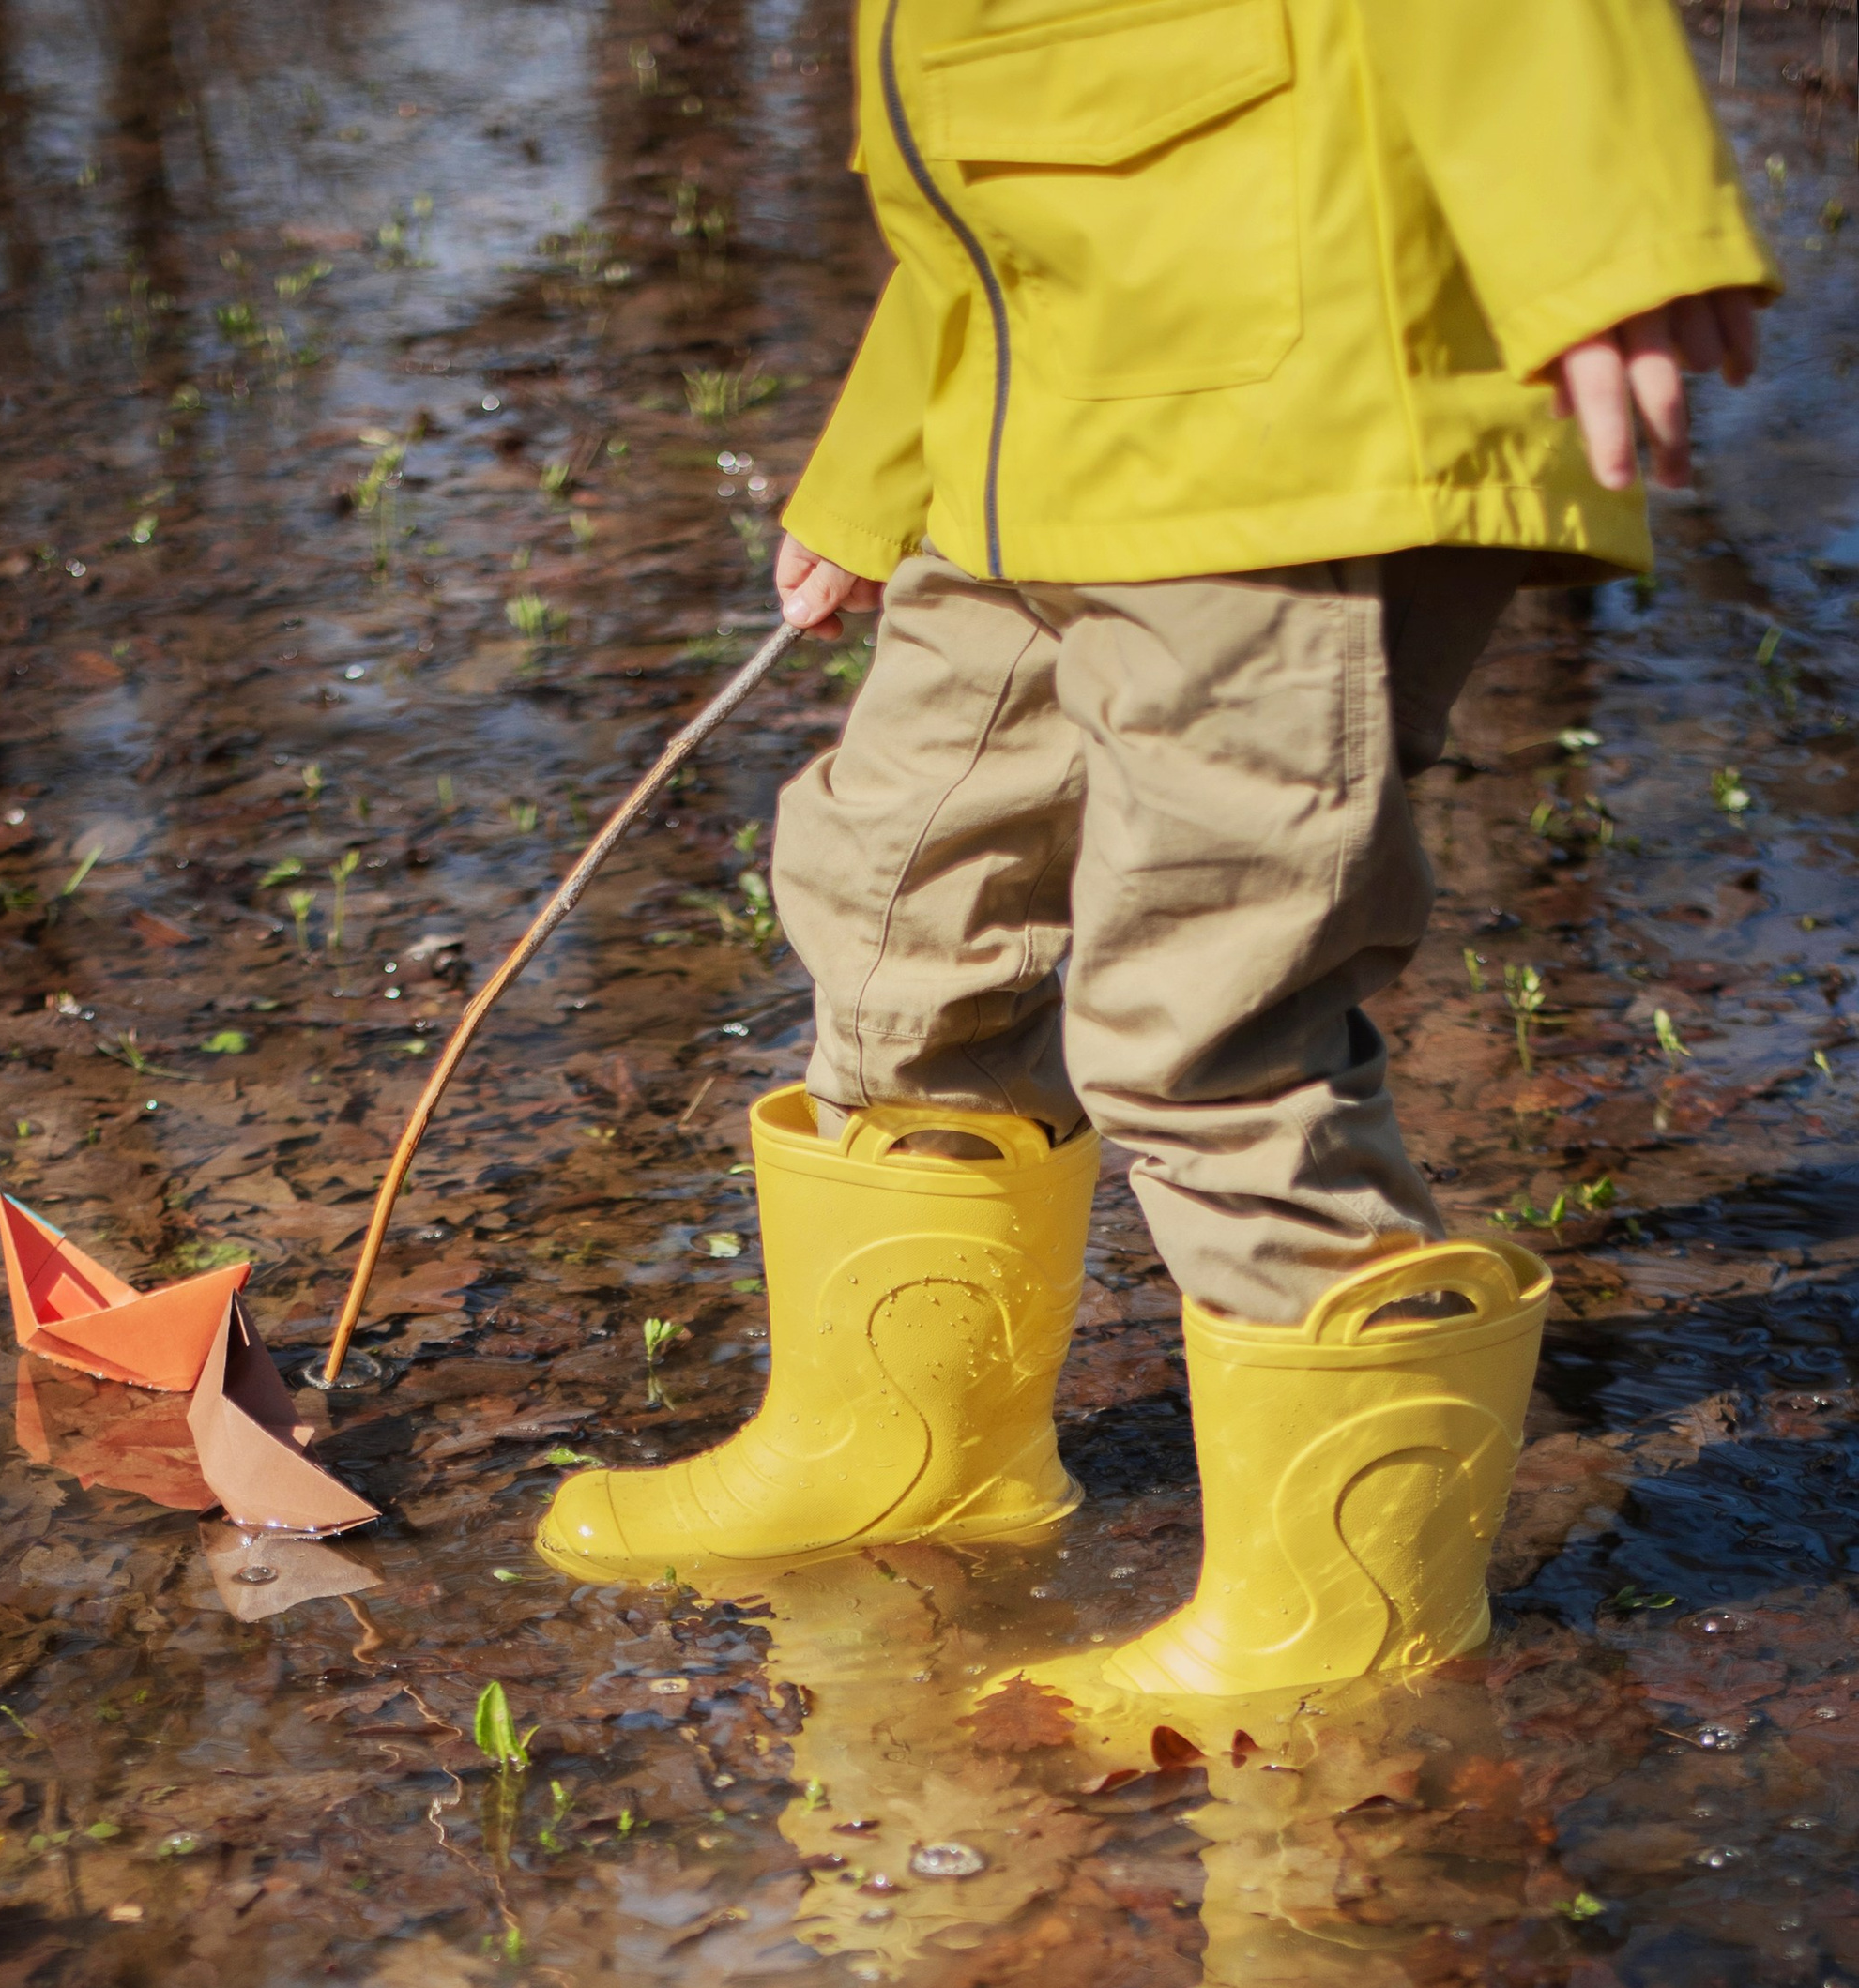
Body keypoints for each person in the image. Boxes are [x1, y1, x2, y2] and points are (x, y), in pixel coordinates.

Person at [538, 0, 1773, 1720]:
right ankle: (906, 1452)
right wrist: (877, 459)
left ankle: (1338, 1622)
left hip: (1298, 412)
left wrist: (1604, 221)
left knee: (1207, 1004)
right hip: (1024, 436)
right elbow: (983, 193)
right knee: (896, 894)